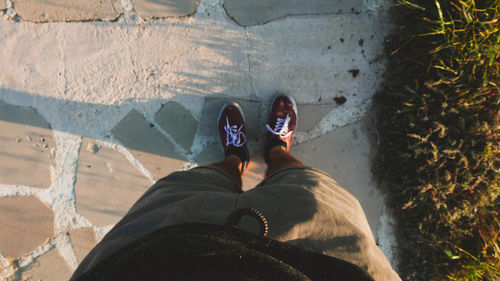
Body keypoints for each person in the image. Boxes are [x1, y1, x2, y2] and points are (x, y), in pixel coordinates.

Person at [69, 95, 401, 281]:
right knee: (306, 190)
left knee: (187, 189)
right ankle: (276, 152)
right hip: (328, 261)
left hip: (162, 250)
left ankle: (235, 161)